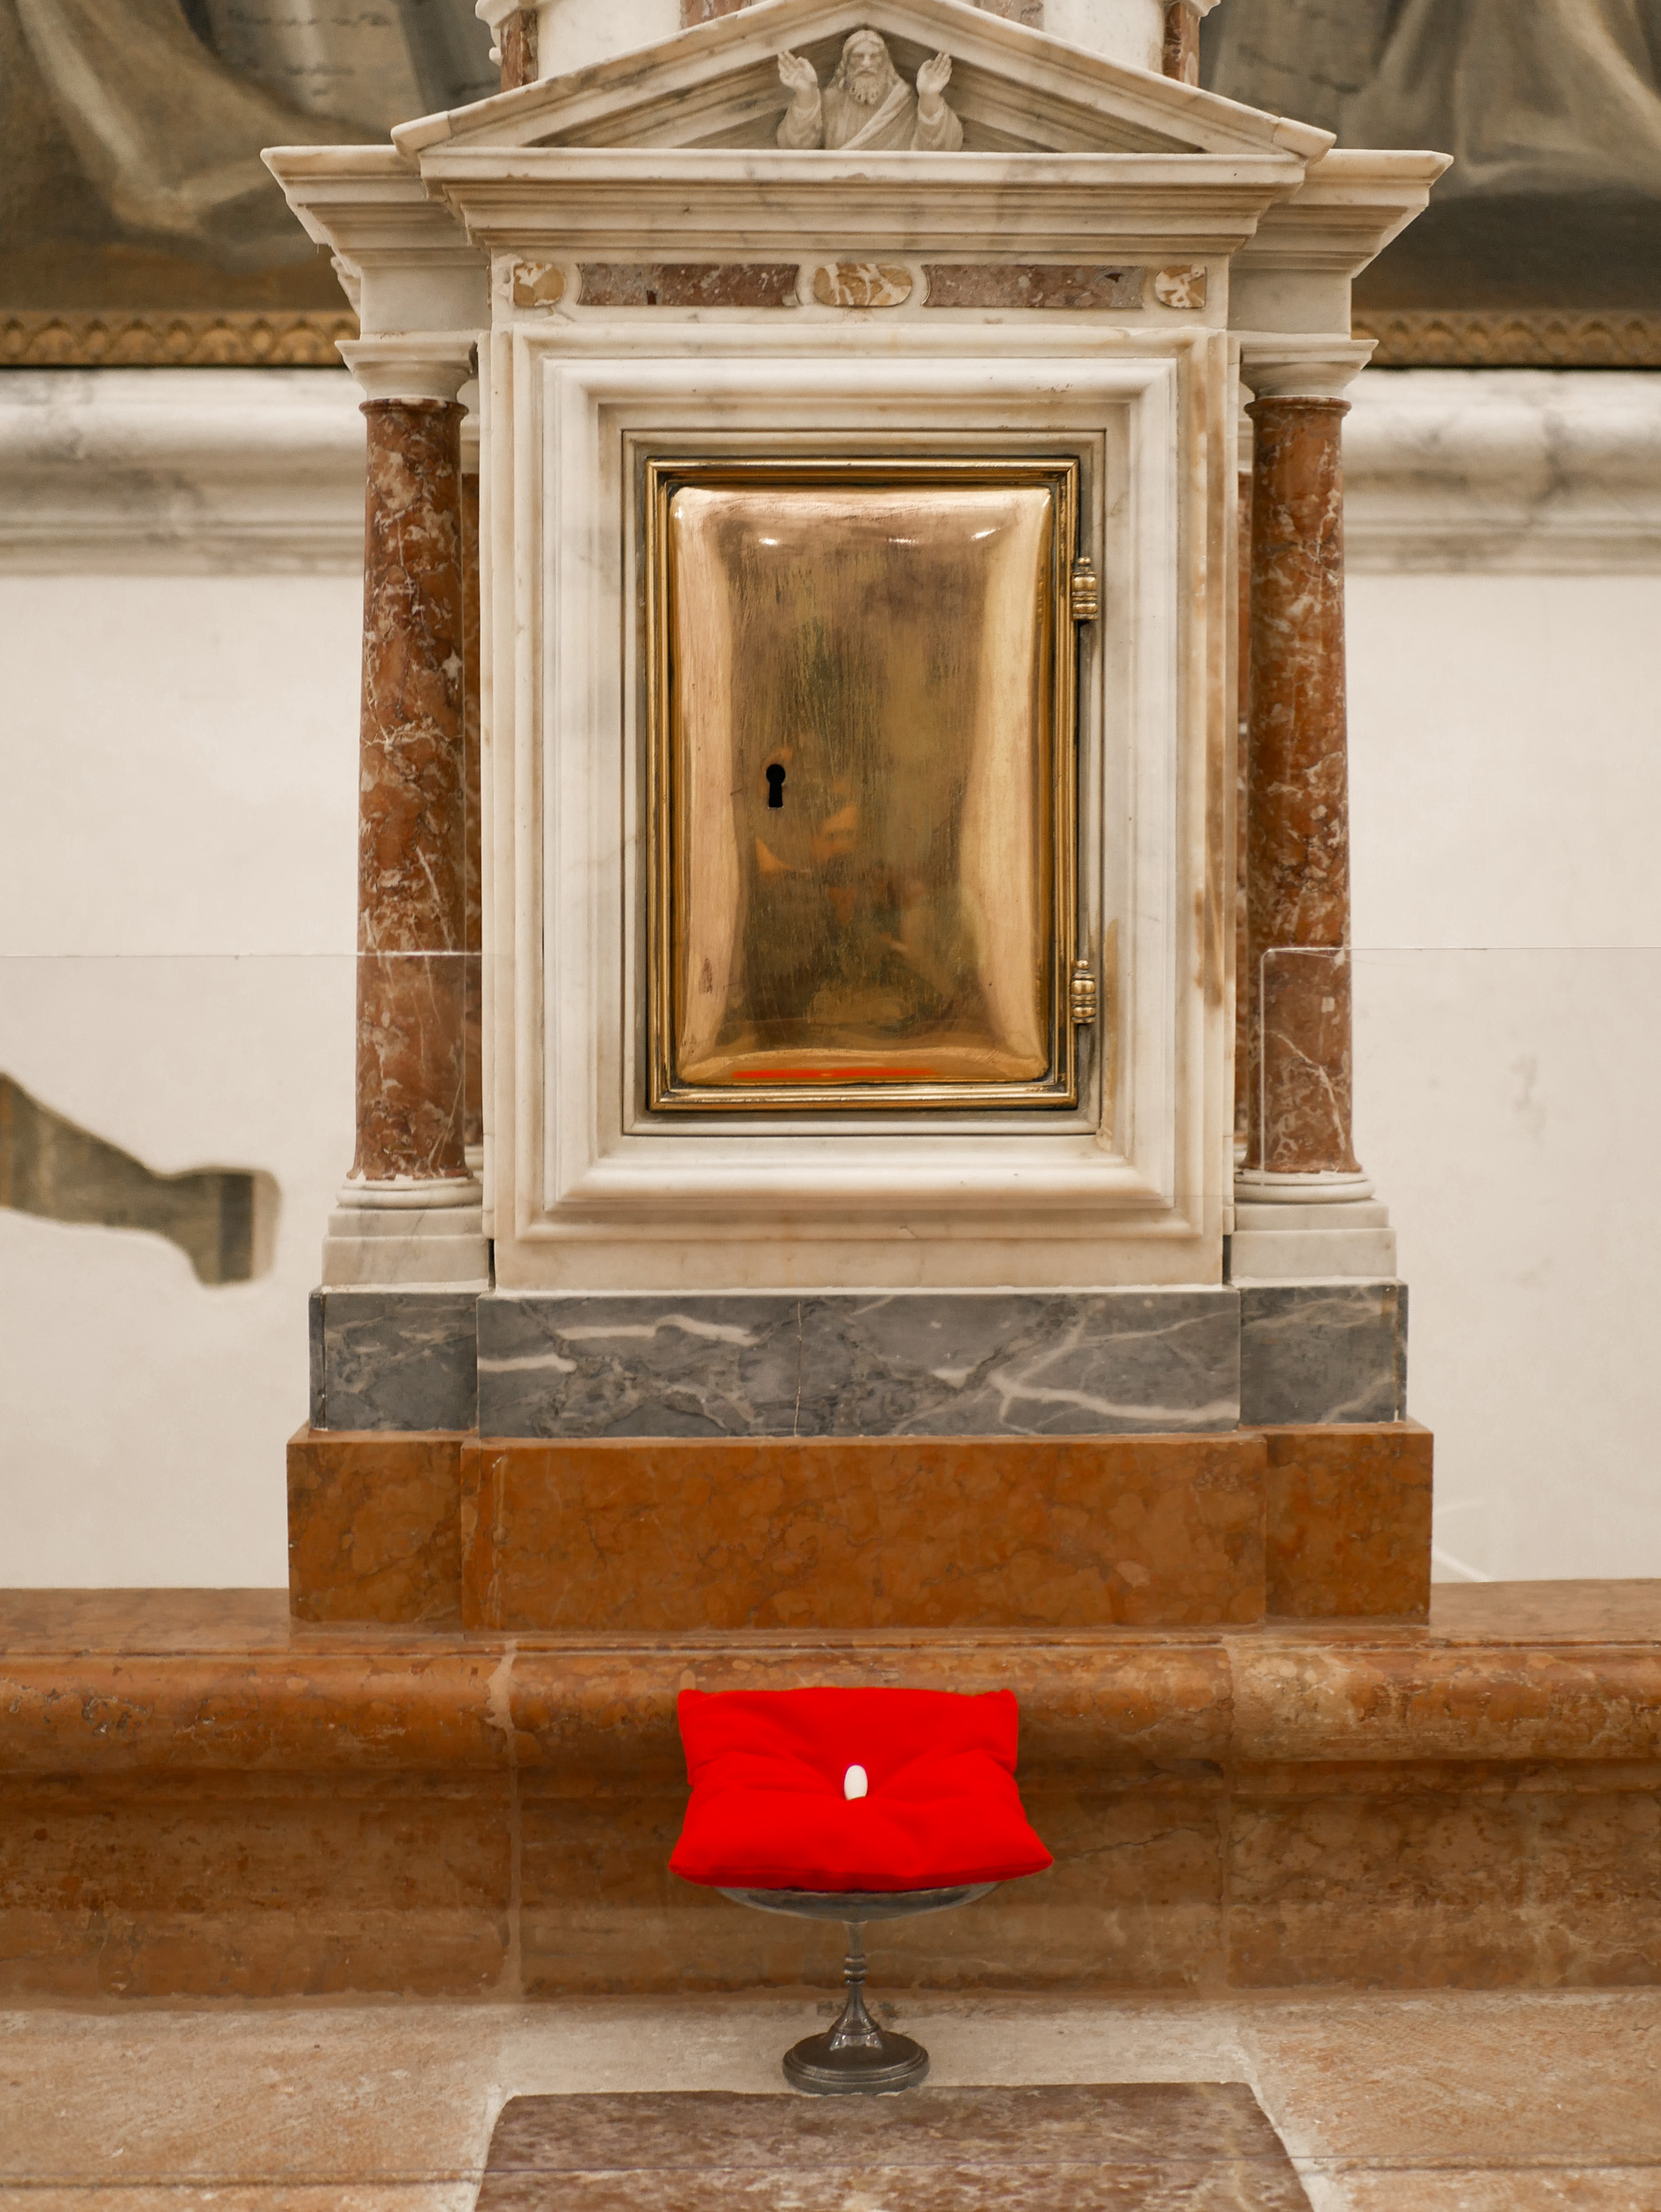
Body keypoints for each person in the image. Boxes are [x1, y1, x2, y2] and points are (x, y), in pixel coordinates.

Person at [776, 30, 964, 153]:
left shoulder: (903, 101)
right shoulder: (831, 100)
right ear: (846, 64)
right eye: (859, 57)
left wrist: (930, 96)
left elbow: (943, 146)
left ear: (885, 63)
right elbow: (794, 145)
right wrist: (806, 93)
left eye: (874, 56)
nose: (866, 63)